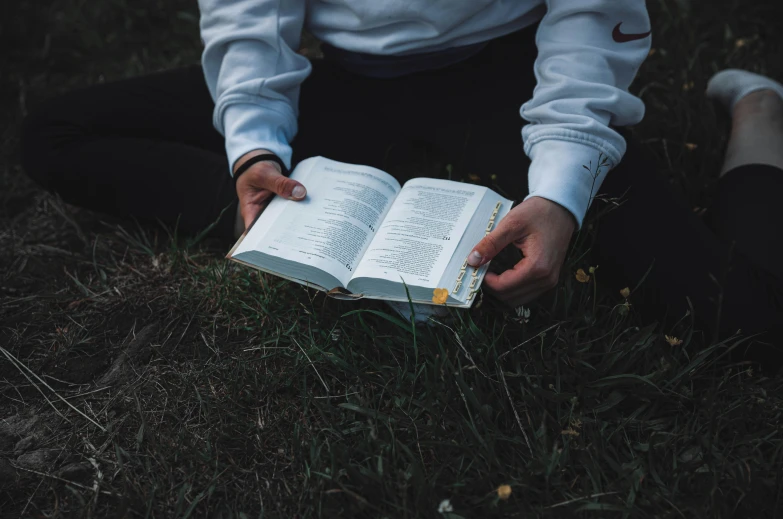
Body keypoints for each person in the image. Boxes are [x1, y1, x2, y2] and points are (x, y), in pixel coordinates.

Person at [19, 2, 783, 367]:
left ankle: (757, 114)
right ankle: (288, 223)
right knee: (53, 133)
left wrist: (558, 188)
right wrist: (252, 152)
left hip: (511, 76)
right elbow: (249, 15)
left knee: (747, 314)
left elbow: (588, 19)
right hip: (352, 83)